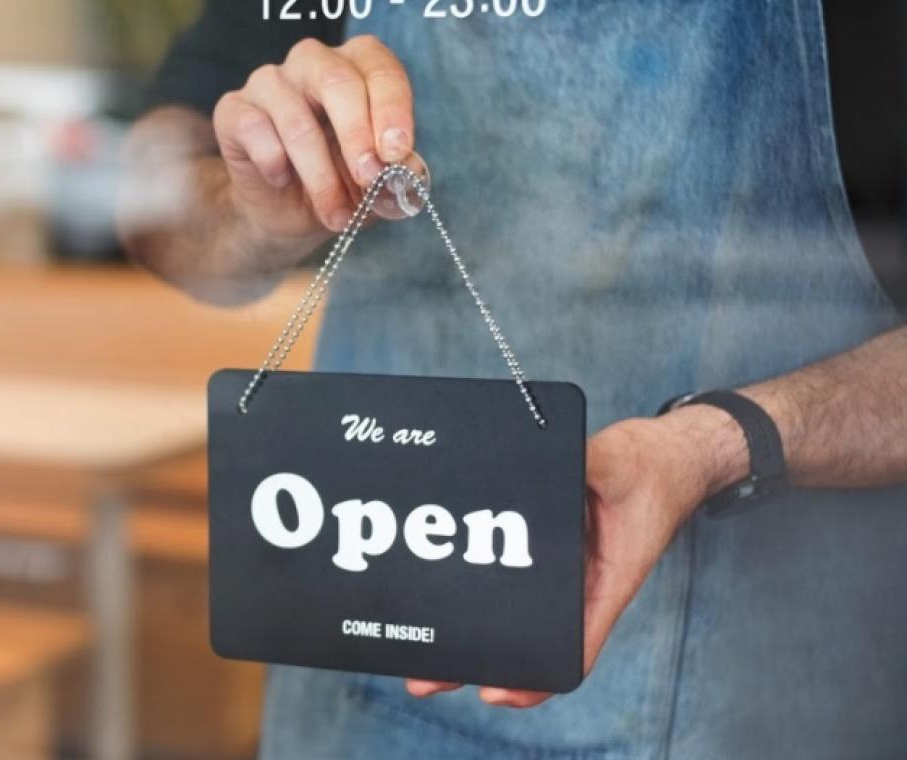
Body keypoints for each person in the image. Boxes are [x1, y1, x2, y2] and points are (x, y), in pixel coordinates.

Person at [116, 2, 907, 758]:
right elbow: (148, 193)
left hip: (752, 706)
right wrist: (248, 211)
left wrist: (721, 442)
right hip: (361, 697)